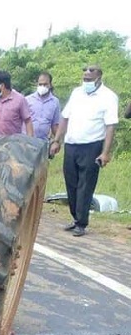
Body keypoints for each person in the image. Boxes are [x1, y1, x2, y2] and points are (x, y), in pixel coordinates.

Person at [49, 64, 119, 237]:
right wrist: (57, 140)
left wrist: (105, 152)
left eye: (89, 79)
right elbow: (65, 118)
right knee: (71, 182)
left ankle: (82, 222)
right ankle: (75, 217)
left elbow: (110, 126)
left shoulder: (108, 97)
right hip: (72, 144)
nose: (86, 81)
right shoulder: (77, 93)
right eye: (84, 78)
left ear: (99, 78)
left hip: (92, 145)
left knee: (85, 185)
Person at [26, 72, 61, 141]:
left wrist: (57, 141)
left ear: (50, 85)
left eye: (45, 84)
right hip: (27, 141)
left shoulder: (55, 102)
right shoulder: (27, 100)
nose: (42, 86)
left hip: (43, 142)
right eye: (40, 84)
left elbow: (55, 124)